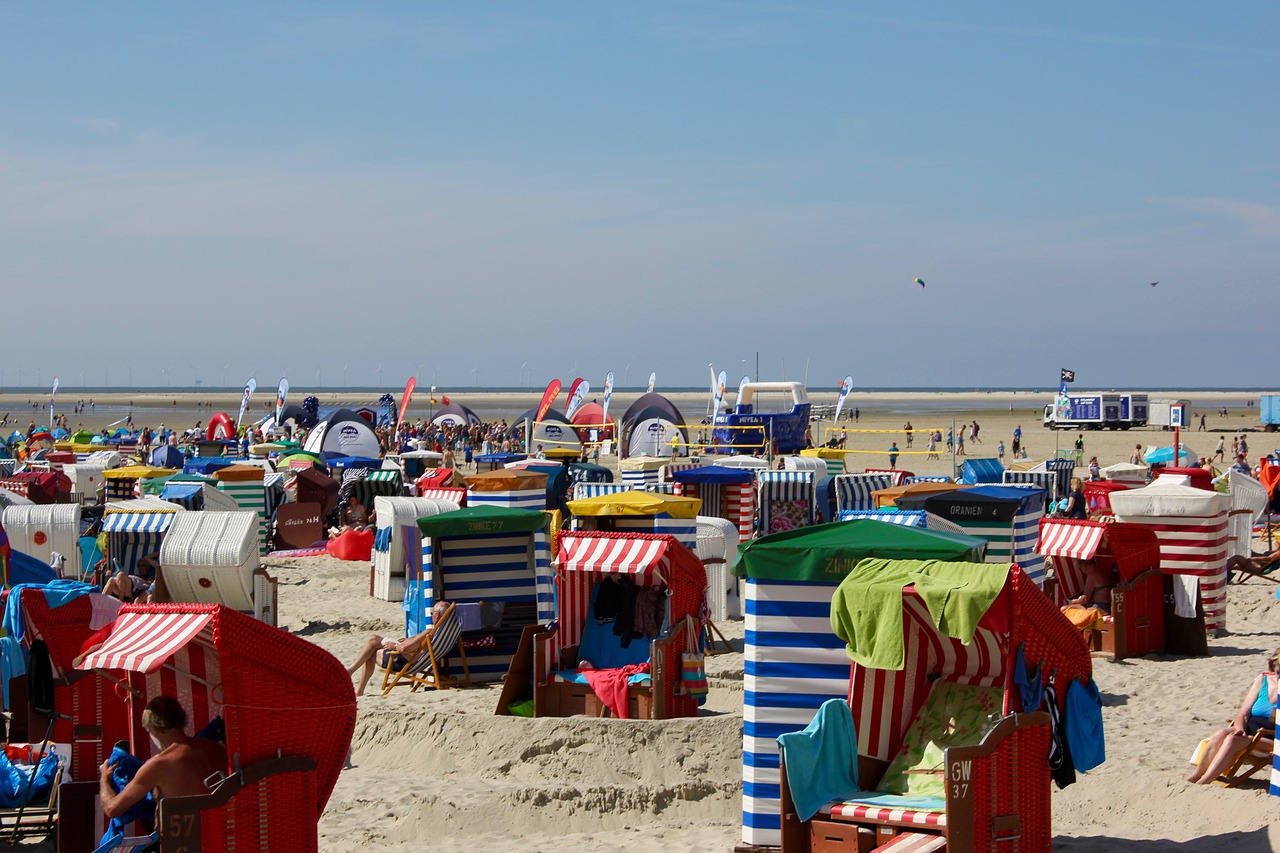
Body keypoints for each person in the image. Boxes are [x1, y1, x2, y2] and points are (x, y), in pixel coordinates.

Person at [99, 695, 227, 822]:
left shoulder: (158, 765)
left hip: (187, 838)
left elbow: (112, 809)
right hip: (224, 829)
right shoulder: (215, 747)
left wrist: (104, 779)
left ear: (153, 730)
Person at [1187, 649, 1280, 784]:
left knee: (1232, 741)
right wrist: (1240, 728)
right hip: (1249, 731)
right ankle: (1196, 775)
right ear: (1273, 668)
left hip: (1272, 739)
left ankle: (1205, 781)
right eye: (1278, 672)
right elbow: (1243, 713)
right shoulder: (1263, 681)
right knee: (1222, 733)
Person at [347, 602, 449, 695]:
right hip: (413, 660)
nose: (431, 615)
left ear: (437, 616)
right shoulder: (442, 633)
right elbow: (417, 646)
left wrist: (394, 646)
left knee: (372, 646)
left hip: (404, 661)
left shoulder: (429, 632)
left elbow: (405, 649)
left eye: (432, 613)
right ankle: (355, 681)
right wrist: (408, 640)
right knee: (373, 641)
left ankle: (353, 675)